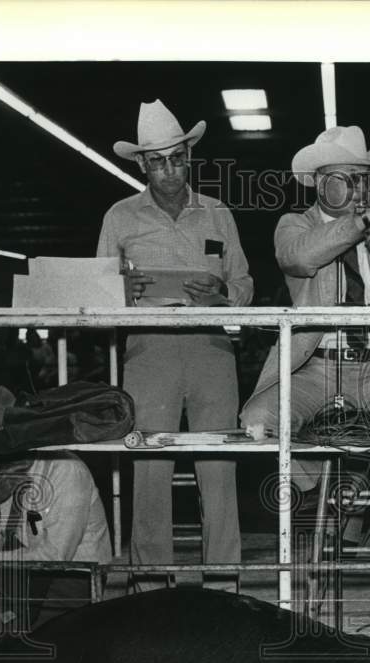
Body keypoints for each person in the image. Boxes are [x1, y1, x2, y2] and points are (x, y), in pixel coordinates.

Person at [240, 125, 370, 532]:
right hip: (315, 367)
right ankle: (310, 487)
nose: (359, 188)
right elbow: (300, 258)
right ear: (319, 183)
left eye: (365, 179)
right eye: (346, 178)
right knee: (258, 420)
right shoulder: (293, 225)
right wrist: (362, 220)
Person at [97, 100, 253, 589]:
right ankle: (149, 589)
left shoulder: (219, 213)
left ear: (189, 156)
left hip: (212, 350)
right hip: (149, 350)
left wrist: (223, 293)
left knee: (220, 469)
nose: (169, 170)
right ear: (142, 164)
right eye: (157, 161)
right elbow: (95, 290)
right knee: (149, 469)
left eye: (177, 158)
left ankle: (225, 588)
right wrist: (121, 290)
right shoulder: (120, 217)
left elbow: (246, 284)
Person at [0, 387, 112, 632]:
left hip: (72, 576)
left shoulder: (66, 470)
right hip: (20, 571)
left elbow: (57, 556)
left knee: (38, 641)